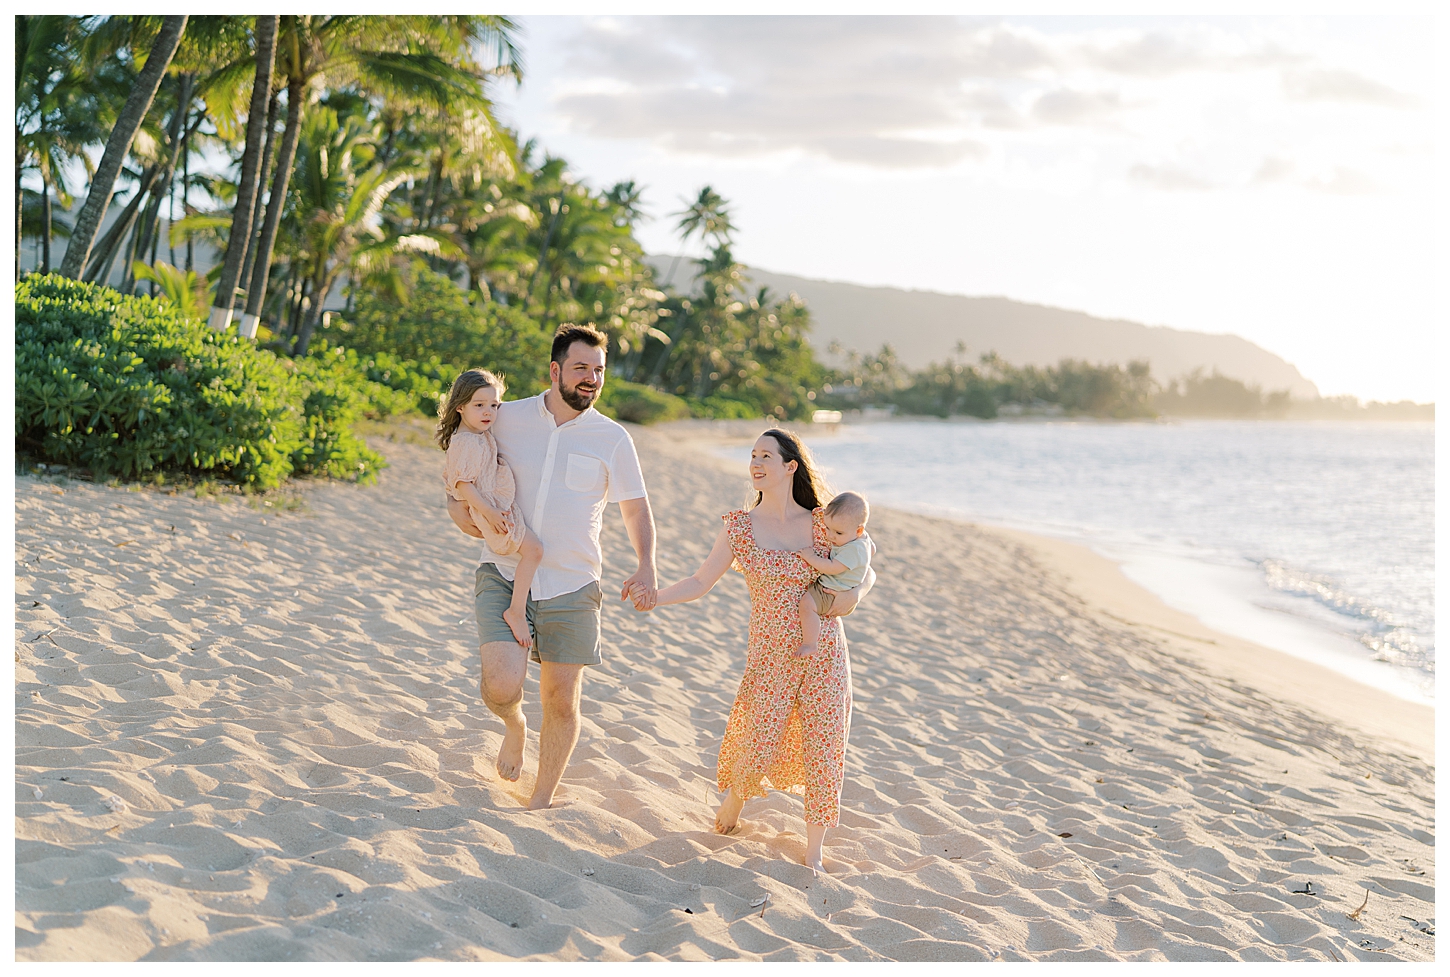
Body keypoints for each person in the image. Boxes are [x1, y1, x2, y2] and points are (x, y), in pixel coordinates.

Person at [640, 429, 874, 874]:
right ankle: (733, 803)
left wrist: (858, 592)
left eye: (765, 455)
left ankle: (815, 851)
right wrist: (656, 595)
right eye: (751, 455)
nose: (755, 463)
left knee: (825, 743)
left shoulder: (825, 521)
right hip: (770, 653)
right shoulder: (741, 528)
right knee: (759, 738)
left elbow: (866, 558)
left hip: (824, 651)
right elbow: (699, 582)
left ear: (790, 466)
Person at [446, 324, 657, 811]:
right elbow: (463, 467)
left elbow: (636, 508)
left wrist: (646, 565)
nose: (591, 379)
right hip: (503, 571)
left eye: (599, 371)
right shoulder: (505, 417)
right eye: (581, 368)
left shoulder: (613, 438)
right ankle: (514, 724)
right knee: (502, 683)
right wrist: (460, 513)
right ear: (556, 369)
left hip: (574, 585)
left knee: (562, 699)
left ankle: (541, 798)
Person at [437, 369, 544, 650]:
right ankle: (516, 611)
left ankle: (517, 609)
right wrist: (489, 513)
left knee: (534, 551)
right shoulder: (466, 442)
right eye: (479, 405)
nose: (489, 412)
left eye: (494, 405)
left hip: (497, 508)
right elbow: (463, 485)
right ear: (460, 407)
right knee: (534, 551)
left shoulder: (476, 432)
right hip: (492, 512)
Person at [793, 491, 873, 658]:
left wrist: (810, 557)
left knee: (807, 605)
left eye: (838, 533)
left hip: (833, 590)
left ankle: (810, 643)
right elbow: (873, 549)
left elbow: (831, 567)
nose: (830, 536)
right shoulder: (861, 539)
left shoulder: (853, 549)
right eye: (828, 528)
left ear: (858, 531)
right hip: (837, 586)